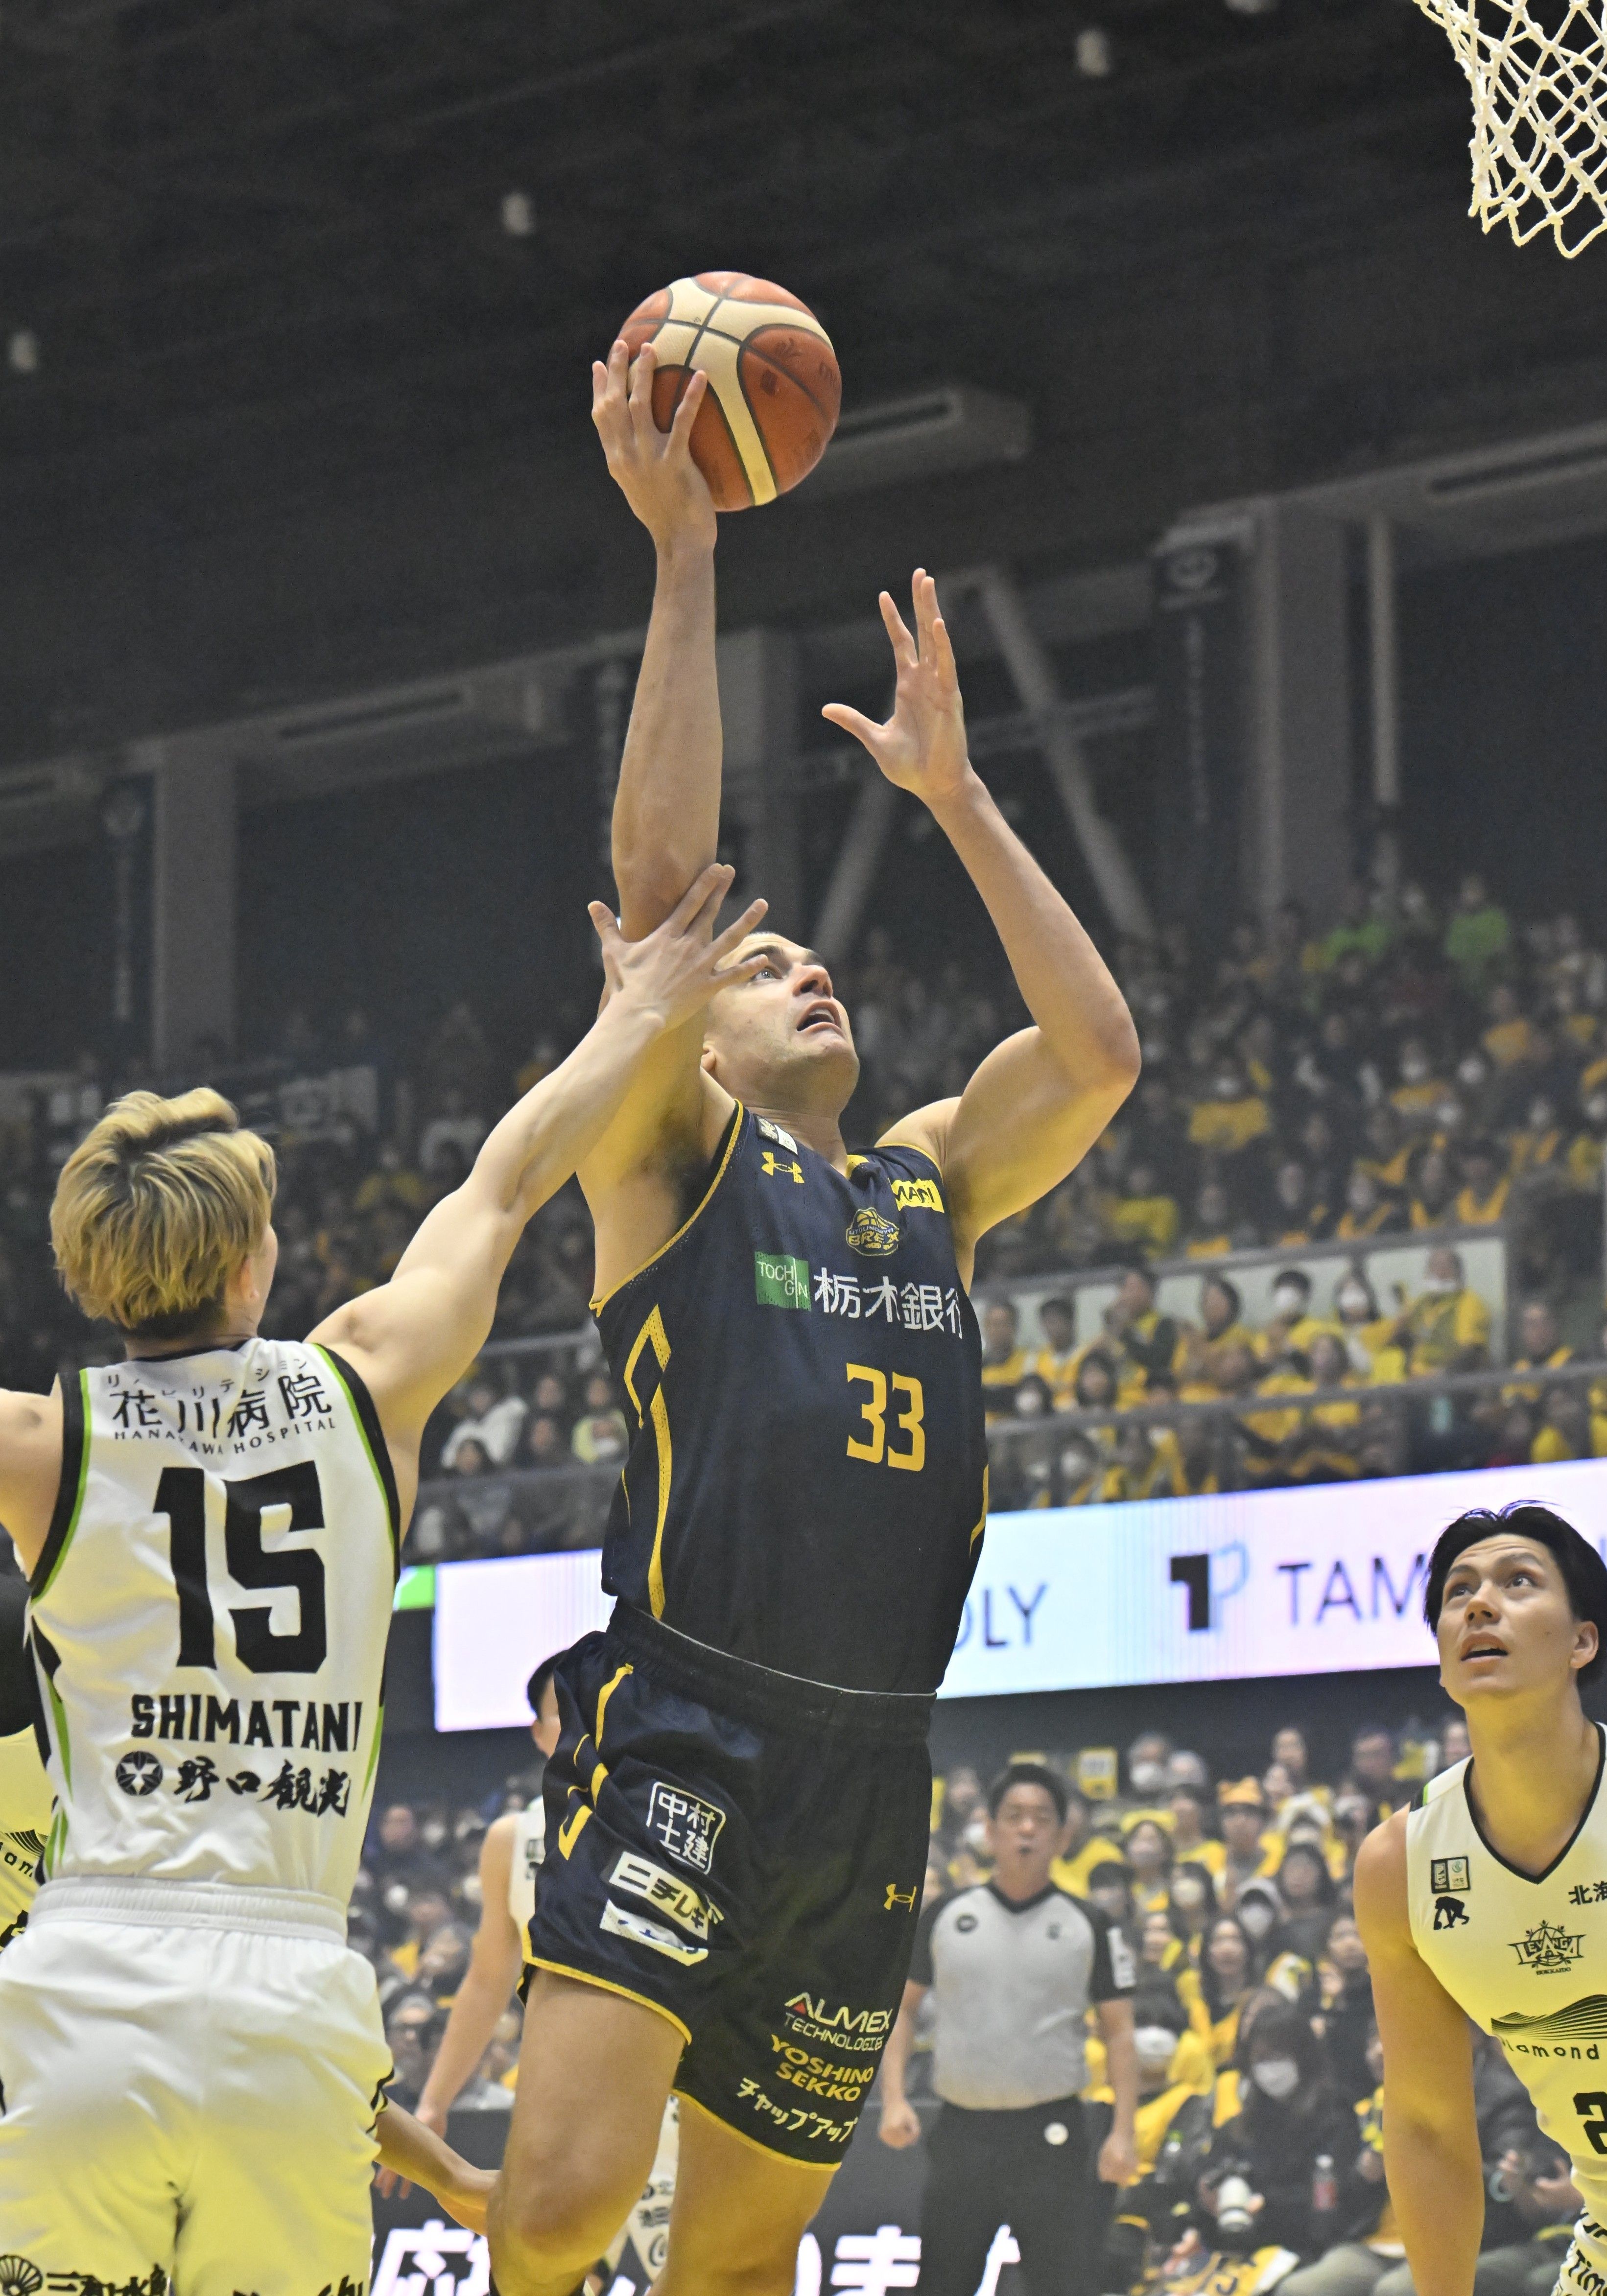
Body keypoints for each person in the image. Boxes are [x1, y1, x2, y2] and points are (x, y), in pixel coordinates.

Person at [491, 341, 1141, 2296]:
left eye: (814, 961)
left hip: (872, 1768)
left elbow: (1097, 1053)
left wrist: (958, 796)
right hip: (687, 1722)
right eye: (764, 963)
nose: (809, 971)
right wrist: (686, 554)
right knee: (558, 2208)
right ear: (689, 1025)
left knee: (745, 2257)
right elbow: (658, 882)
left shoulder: (931, 1175)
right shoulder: (668, 1154)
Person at [0, 865, 770, 2287]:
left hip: (88, 1987)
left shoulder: (45, 1445)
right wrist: (634, 1013)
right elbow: (507, 1180)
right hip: (290, 2002)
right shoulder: (365, 1379)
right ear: (252, 1263)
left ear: (95, 1275)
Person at [1355, 1499, 1607, 2296]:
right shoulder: (1399, 1865)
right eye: (1457, 1591)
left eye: (1517, 1581)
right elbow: (1428, 2128)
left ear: (1581, 1641)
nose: (1478, 1603)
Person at [878, 1762, 1138, 2296]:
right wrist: (895, 2097)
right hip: (962, 2134)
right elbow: (901, 2009)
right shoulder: (945, 1915)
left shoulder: (1090, 1924)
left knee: (1067, 2288)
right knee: (942, 2286)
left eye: (1042, 1818)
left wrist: (1124, 2131)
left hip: (1053, 2138)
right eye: (1014, 1816)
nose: (1027, 1829)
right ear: (990, 1829)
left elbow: (1119, 2031)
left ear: (1063, 1836)